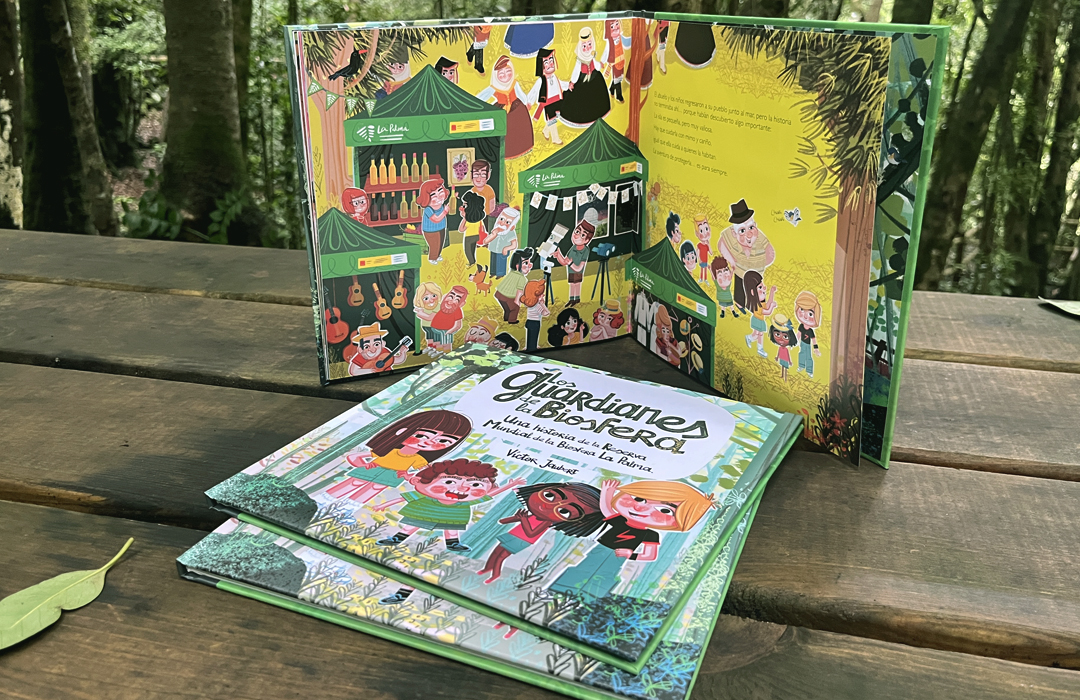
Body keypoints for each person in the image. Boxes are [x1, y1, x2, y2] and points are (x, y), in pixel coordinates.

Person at [543, 479, 714, 601]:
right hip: (599, 550)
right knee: (583, 567)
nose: (640, 507)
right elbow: (606, 510)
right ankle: (558, 590)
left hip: (618, 559)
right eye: (639, 498)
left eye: (665, 510)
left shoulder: (651, 534)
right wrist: (607, 493)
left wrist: (630, 554)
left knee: (605, 575)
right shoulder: (620, 520)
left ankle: (588, 599)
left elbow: (650, 555)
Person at [374, 459, 526, 552]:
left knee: (452, 530)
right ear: (422, 482)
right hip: (422, 513)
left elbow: (490, 495)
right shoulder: (424, 496)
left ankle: (453, 544)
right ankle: (397, 539)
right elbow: (403, 498)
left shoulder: (465, 501)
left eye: (475, 484)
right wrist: (384, 504)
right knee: (411, 526)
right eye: (449, 481)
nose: (462, 488)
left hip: (453, 517)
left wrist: (509, 485)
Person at [325, 409, 472, 505]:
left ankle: (348, 508)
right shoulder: (389, 450)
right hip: (374, 468)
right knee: (354, 482)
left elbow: (424, 473)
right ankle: (326, 499)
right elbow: (355, 457)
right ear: (403, 430)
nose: (429, 442)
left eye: (444, 441)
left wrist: (408, 476)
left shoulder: (419, 459)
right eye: (422, 435)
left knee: (375, 488)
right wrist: (364, 465)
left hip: (394, 475)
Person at [477, 481, 605, 583]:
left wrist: (523, 520)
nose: (547, 506)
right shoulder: (534, 515)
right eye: (550, 496)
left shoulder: (547, 522)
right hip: (513, 534)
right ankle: (487, 568)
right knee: (496, 552)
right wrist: (513, 518)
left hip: (522, 540)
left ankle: (495, 575)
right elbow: (505, 521)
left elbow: (531, 533)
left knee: (501, 557)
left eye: (564, 511)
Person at [719, 199, 775, 312]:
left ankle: (753, 307)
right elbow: (721, 244)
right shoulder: (730, 234)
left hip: (754, 275)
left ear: (755, 225)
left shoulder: (760, 238)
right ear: (734, 233)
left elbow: (771, 253)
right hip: (740, 269)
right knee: (739, 288)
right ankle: (739, 304)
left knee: (754, 291)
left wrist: (759, 265)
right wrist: (731, 261)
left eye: (751, 228)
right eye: (742, 231)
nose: (748, 234)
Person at [477, 56, 534, 159]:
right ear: (496, 75)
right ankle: (507, 152)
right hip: (501, 111)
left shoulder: (514, 84)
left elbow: (520, 94)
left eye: (508, 71)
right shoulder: (493, 87)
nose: (505, 75)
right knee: (505, 132)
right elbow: (481, 97)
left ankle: (523, 148)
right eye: (501, 73)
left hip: (517, 110)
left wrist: (526, 102)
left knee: (519, 129)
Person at [558, 26, 611, 128]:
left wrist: (600, 65)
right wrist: (573, 82)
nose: (587, 48)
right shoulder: (580, 59)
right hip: (582, 81)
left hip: (595, 79)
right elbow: (576, 71)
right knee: (581, 100)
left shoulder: (592, 55)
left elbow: (596, 65)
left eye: (589, 44)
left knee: (597, 98)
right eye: (584, 46)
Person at [554, 209, 597, 307]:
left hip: (577, 272)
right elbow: (564, 261)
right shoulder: (573, 248)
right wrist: (558, 255)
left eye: (582, 235)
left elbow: (579, 267)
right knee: (572, 284)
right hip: (570, 271)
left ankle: (576, 299)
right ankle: (571, 299)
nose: (577, 235)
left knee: (577, 284)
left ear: (587, 240)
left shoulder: (585, 250)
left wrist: (570, 263)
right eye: (577, 231)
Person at [528, 48, 569, 144]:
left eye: (551, 61)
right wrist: (529, 102)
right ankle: (555, 139)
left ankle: (545, 131)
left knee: (556, 116)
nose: (550, 64)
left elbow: (561, 84)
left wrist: (569, 85)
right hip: (547, 103)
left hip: (557, 99)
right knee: (552, 119)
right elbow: (534, 91)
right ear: (541, 66)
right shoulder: (541, 80)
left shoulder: (554, 77)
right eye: (546, 63)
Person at [343, 322, 408, 376]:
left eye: (376, 344)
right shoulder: (360, 357)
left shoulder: (384, 352)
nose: (373, 350)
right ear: (360, 349)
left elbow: (398, 360)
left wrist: (402, 353)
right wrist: (371, 370)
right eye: (366, 346)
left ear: (383, 344)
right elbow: (353, 371)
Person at [495, 247, 534, 324]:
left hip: (499, 294)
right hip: (508, 296)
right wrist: (517, 301)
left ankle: (506, 318)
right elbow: (519, 291)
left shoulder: (512, 272)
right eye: (526, 263)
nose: (530, 266)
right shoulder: (522, 278)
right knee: (514, 309)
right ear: (517, 266)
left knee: (507, 309)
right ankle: (512, 320)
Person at [743, 269, 777, 358]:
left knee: (759, 334)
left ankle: (757, 346)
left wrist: (772, 292)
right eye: (760, 287)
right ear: (752, 292)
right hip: (757, 320)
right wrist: (772, 306)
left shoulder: (761, 302)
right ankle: (753, 342)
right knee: (757, 334)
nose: (764, 288)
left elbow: (767, 305)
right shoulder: (757, 306)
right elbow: (767, 311)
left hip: (760, 320)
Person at [418, 175, 449, 264]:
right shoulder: (428, 209)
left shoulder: (441, 206)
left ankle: (437, 255)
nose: (438, 196)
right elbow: (435, 219)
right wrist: (445, 212)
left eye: (440, 191)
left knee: (441, 242)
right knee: (434, 244)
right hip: (430, 231)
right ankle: (432, 258)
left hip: (441, 227)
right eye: (433, 195)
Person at [430, 285, 469, 353]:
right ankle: (438, 351)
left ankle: (446, 352)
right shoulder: (443, 306)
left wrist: (450, 331)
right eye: (451, 296)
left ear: (462, 303)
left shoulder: (457, 310)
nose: (451, 300)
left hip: (446, 330)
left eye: (457, 299)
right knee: (437, 342)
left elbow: (458, 325)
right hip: (435, 328)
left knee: (445, 343)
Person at [601, 19, 631, 104]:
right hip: (614, 62)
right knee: (617, 79)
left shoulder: (620, 37)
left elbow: (626, 43)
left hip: (621, 60)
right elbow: (606, 51)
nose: (615, 28)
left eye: (617, 24)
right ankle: (619, 95)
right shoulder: (610, 41)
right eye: (612, 26)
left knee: (619, 77)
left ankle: (611, 89)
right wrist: (602, 61)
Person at [794, 290, 822, 377]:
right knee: (801, 353)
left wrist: (816, 348)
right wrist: (795, 341)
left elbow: (813, 339)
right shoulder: (801, 326)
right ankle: (801, 365)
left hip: (808, 345)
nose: (805, 316)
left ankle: (809, 370)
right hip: (802, 343)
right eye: (802, 310)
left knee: (809, 356)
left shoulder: (810, 331)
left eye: (810, 314)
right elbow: (799, 334)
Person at [487, 205, 520, 278]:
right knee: (493, 261)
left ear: (512, 226)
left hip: (502, 251)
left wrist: (506, 248)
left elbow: (514, 245)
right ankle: (493, 272)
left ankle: (500, 273)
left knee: (501, 262)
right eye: (501, 219)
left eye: (507, 222)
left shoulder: (510, 232)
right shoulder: (496, 229)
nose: (502, 223)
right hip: (493, 249)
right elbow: (488, 239)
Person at [460, 190, 489, 269]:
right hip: (477, 236)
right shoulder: (478, 220)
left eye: (464, 206)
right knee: (473, 249)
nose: (462, 208)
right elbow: (482, 228)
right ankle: (473, 260)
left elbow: (461, 229)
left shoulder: (468, 221)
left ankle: (471, 262)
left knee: (468, 250)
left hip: (468, 237)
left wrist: (464, 218)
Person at [413, 281, 443, 355]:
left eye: (434, 295)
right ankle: (431, 347)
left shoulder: (438, 306)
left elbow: (430, 317)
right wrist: (419, 311)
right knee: (430, 337)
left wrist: (420, 314)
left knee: (436, 338)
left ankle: (438, 349)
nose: (431, 300)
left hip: (435, 327)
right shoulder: (425, 307)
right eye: (426, 298)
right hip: (427, 326)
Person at [521, 279, 549, 351]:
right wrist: (542, 304)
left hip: (529, 321)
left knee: (530, 335)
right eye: (541, 294)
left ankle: (529, 346)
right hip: (535, 323)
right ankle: (532, 348)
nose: (543, 295)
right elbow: (546, 313)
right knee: (534, 336)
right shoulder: (537, 306)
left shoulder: (528, 302)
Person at [770, 313, 797, 382]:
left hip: (785, 360)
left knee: (785, 368)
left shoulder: (786, 349)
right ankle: (782, 375)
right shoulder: (780, 348)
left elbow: (788, 355)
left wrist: (790, 362)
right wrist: (777, 357)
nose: (781, 339)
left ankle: (785, 377)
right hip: (782, 358)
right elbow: (779, 353)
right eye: (777, 335)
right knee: (782, 367)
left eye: (785, 336)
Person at [694, 215, 711, 283]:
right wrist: (699, 259)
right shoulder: (699, 245)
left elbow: (711, 252)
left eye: (706, 229)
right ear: (696, 233)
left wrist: (708, 244)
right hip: (701, 260)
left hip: (706, 260)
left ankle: (705, 279)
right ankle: (701, 278)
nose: (705, 233)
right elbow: (697, 252)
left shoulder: (706, 245)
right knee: (702, 270)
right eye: (701, 231)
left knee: (705, 270)